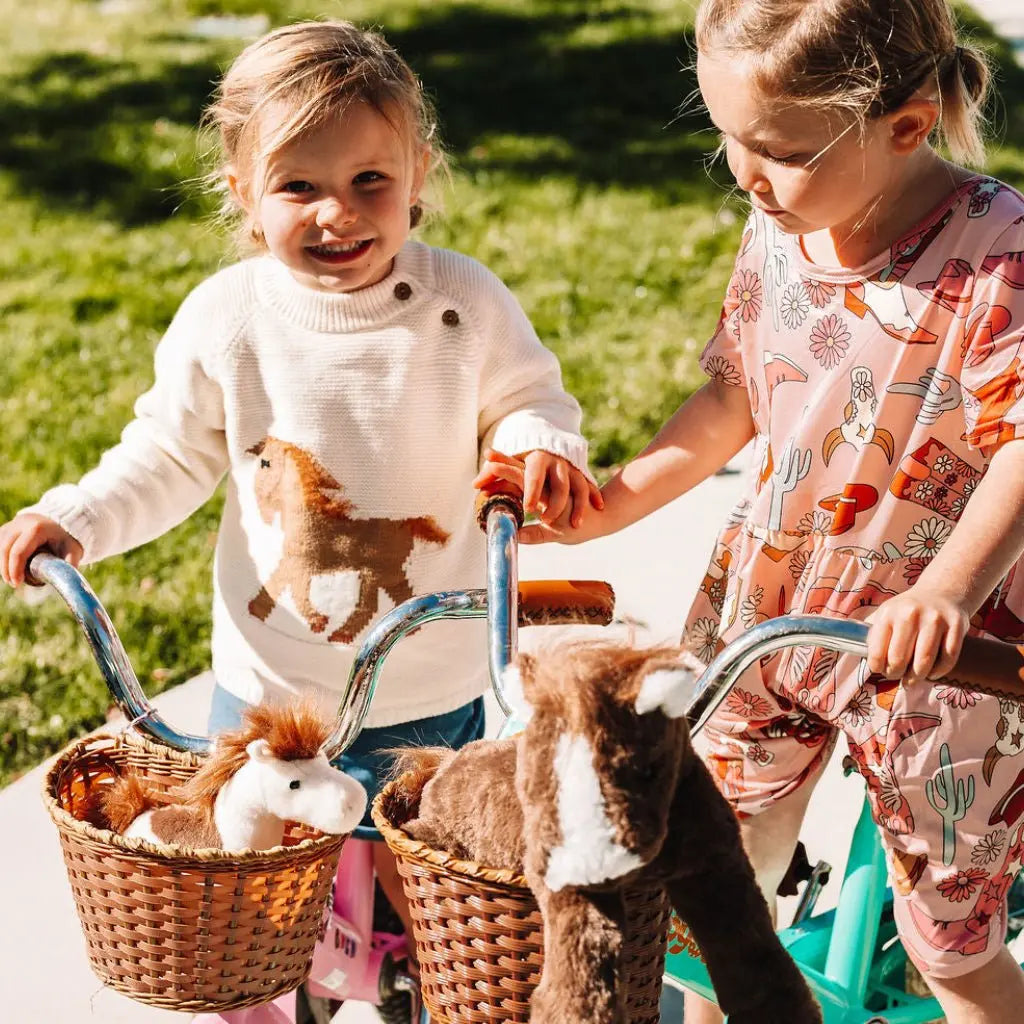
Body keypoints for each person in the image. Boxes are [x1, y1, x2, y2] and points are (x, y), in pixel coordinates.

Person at [0, 17, 599, 993]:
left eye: (371, 181)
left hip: (430, 684)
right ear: (241, 192)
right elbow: (164, 451)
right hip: (269, 695)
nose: (337, 213)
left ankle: (429, 991)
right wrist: (79, 516)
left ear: (419, 172)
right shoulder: (229, 321)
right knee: (256, 898)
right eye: (298, 187)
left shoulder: (464, 306)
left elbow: (529, 399)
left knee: (443, 900)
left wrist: (533, 448)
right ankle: (277, 991)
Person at [491, 1, 1024, 1021]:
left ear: (906, 126)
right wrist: (609, 507)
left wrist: (949, 591)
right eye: (728, 136)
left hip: (931, 650)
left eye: (774, 149)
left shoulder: (996, 251)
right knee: (710, 886)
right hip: (773, 608)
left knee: (950, 944)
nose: (743, 171)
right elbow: (736, 394)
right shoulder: (781, 220)